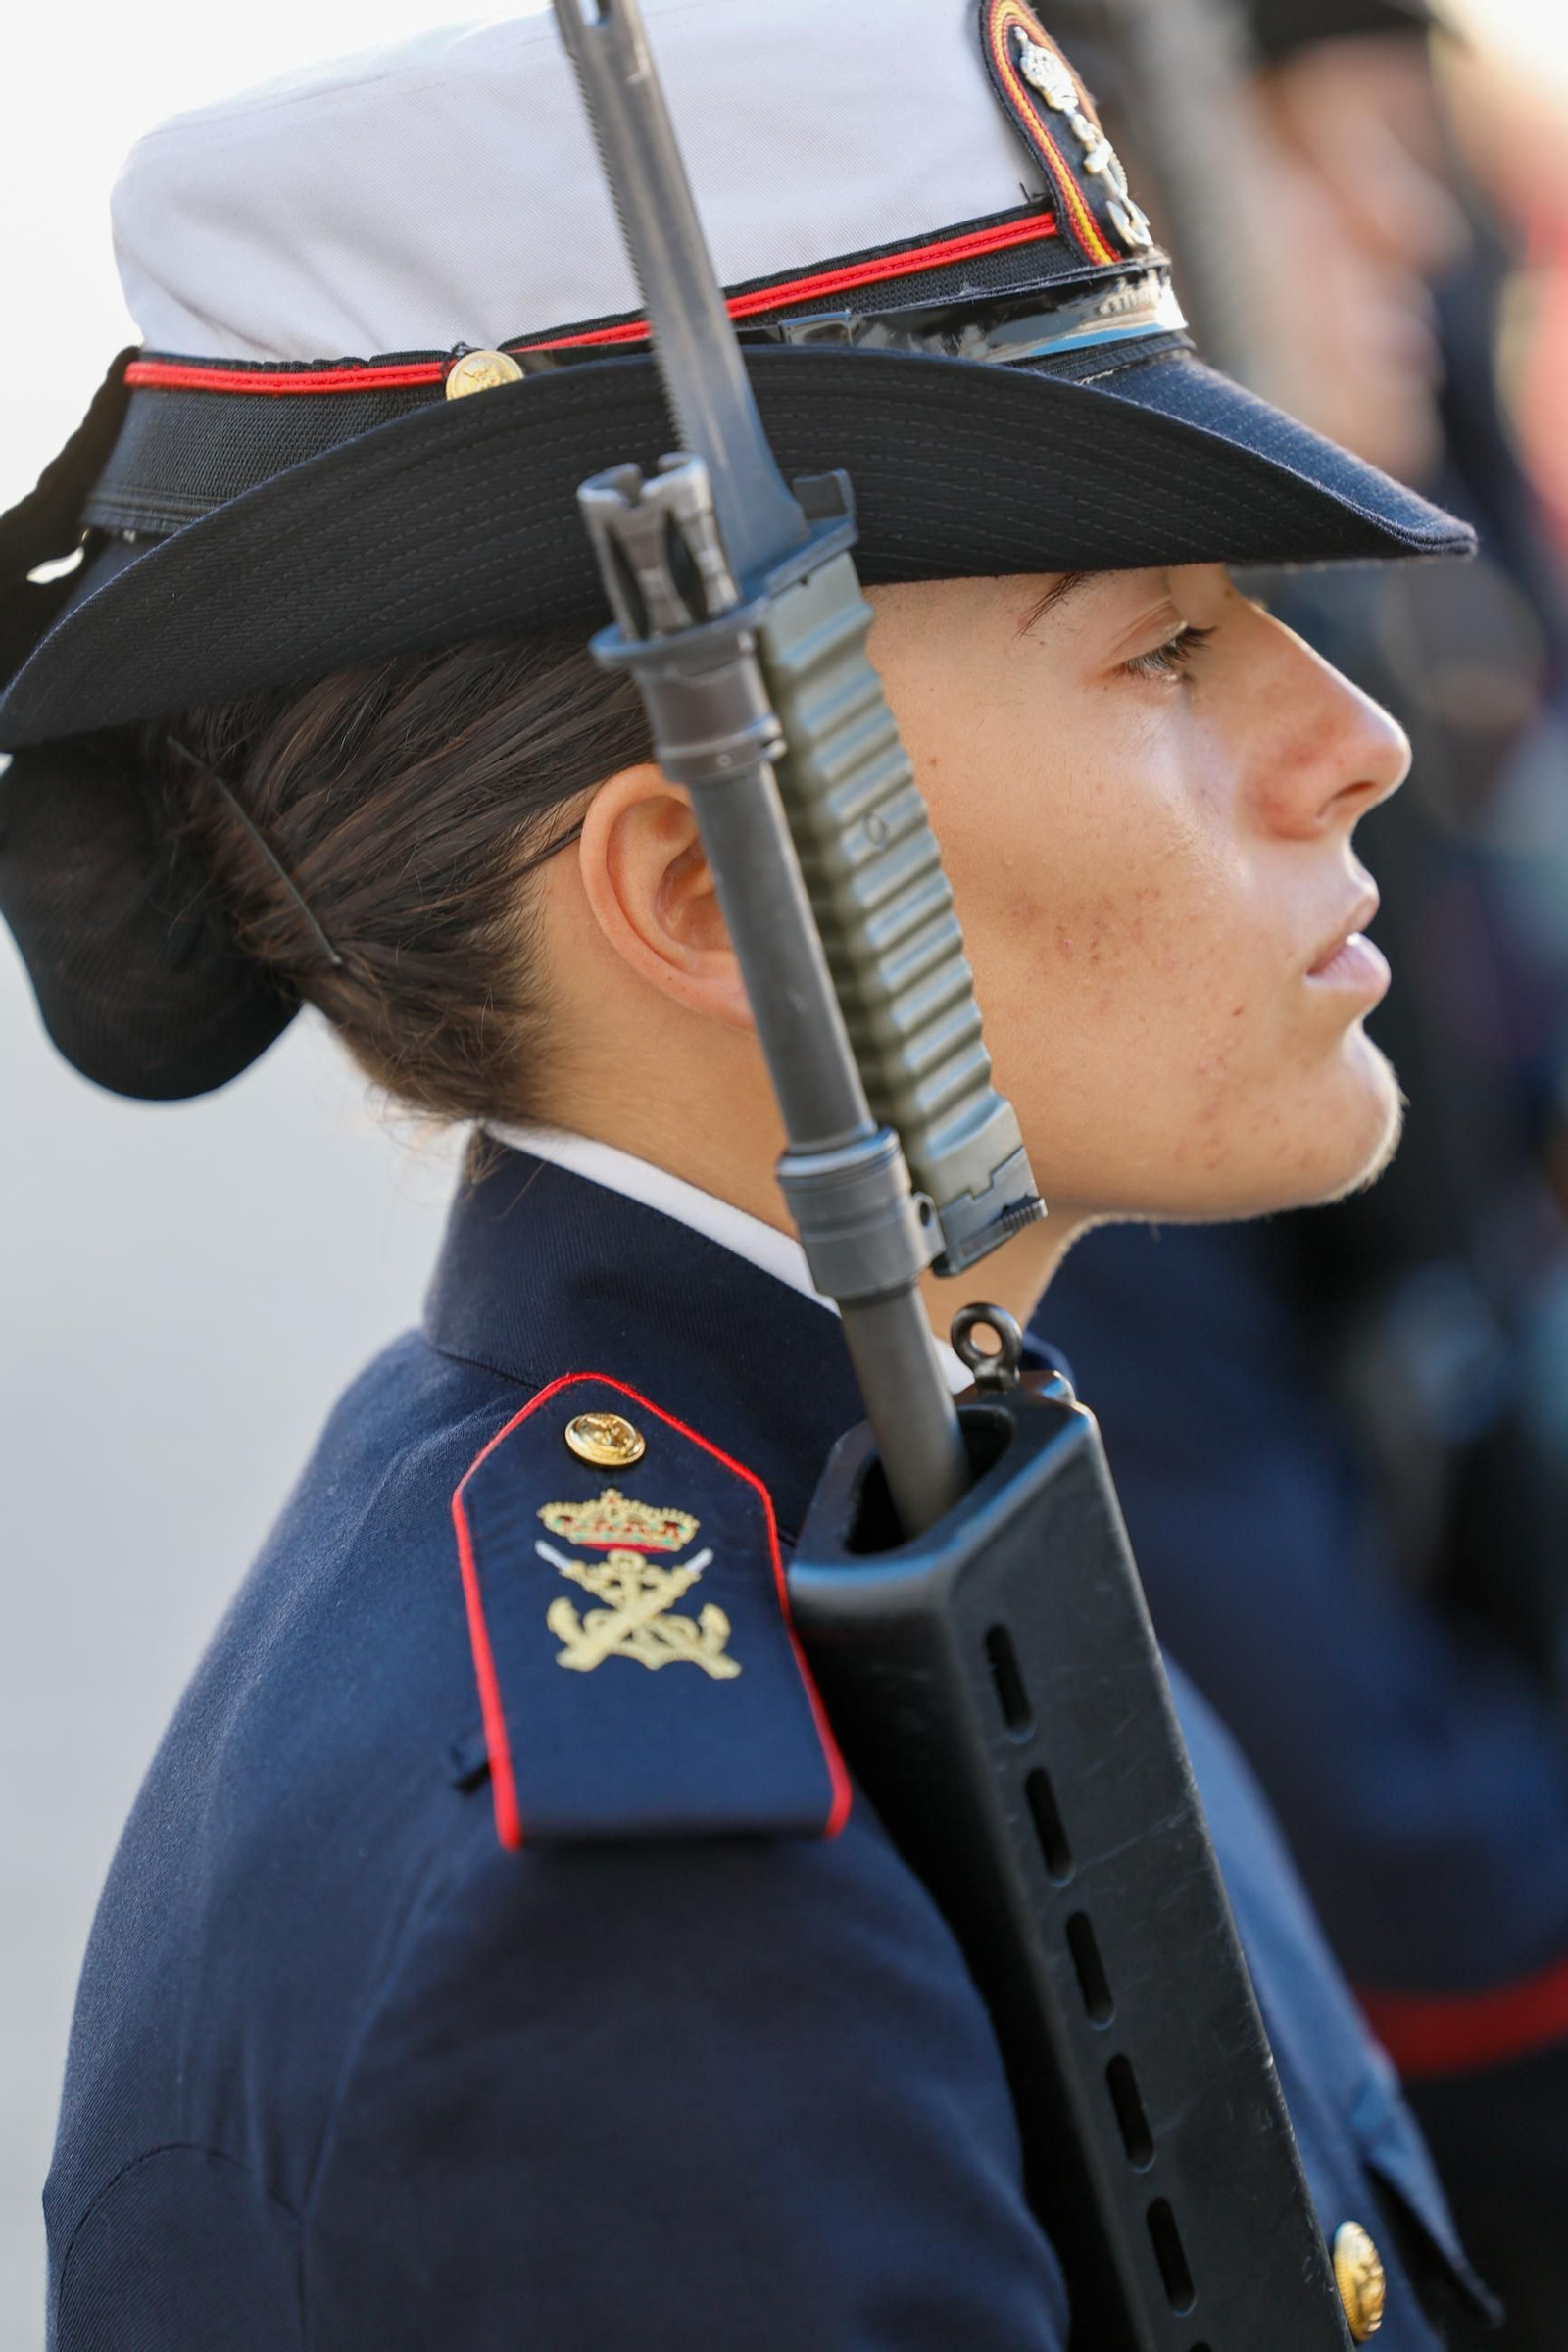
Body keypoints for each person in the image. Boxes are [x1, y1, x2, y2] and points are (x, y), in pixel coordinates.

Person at [0, 1, 1494, 2343]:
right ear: (711, 896)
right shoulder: (644, 1922)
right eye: (1164, 654)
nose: (1354, 739)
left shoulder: (920, 1486)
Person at [1033, 7, 1568, 2340]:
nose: (1414, 234)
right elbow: (1327, 1764)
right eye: (1324, 156)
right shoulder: (1120, 934)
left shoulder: (1382, 687)